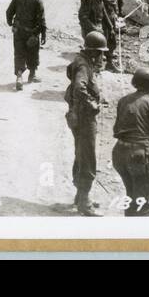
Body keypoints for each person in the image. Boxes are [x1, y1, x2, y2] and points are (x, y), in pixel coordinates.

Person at [111, 67, 149, 216]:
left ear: (134, 83)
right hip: (138, 155)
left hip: (119, 153)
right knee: (144, 202)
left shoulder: (123, 101)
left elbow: (116, 129)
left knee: (131, 193)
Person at [65, 31, 107, 216]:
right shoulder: (83, 65)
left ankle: (80, 196)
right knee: (88, 157)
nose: (102, 56)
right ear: (93, 52)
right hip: (84, 118)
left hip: (79, 116)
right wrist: (92, 104)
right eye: (100, 52)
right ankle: (84, 202)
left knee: (81, 154)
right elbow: (79, 87)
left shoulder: (82, 61)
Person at [5, 0, 47, 89]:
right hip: (32, 33)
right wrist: (43, 34)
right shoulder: (37, 0)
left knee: (19, 53)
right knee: (33, 53)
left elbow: (9, 12)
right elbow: (41, 19)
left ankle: (19, 76)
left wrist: (11, 24)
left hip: (18, 31)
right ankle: (32, 75)